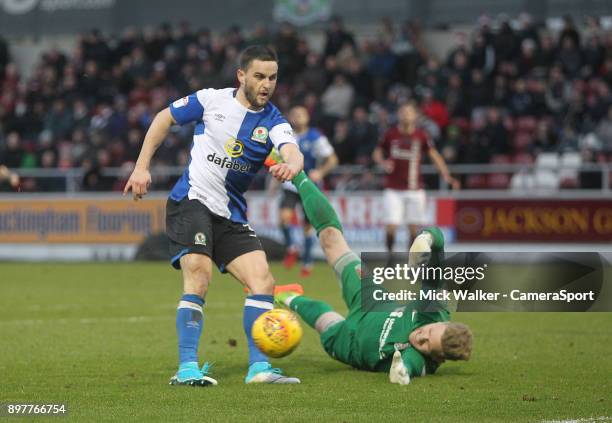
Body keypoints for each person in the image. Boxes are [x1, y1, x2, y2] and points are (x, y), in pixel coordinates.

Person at [123, 45, 304, 386]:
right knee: (199, 273)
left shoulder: (274, 121)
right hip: (192, 201)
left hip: (230, 214)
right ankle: (187, 369)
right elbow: (164, 118)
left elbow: (291, 150)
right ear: (241, 75)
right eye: (259, 76)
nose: (266, 84)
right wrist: (141, 168)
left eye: (273, 78)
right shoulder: (211, 100)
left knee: (262, 281)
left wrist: (292, 164)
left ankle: (259, 369)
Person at [269, 166, 473, 383]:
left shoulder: (421, 361)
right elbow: (437, 251)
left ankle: (287, 296)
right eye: (428, 331)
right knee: (331, 238)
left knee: (324, 320)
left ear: (438, 358)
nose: (420, 336)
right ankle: (298, 175)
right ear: (440, 323)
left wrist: (401, 372)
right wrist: (427, 239)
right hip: (374, 302)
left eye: (425, 344)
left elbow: (408, 368)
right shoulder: (435, 310)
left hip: (351, 344)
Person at [372, 101, 459, 253]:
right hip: (393, 189)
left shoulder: (421, 136)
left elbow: (434, 155)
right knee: (391, 227)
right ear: (398, 115)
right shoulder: (390, 134)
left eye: (409, 112)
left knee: (413, 230)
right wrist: (382, 162)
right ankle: (390, 255)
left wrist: (446, 175)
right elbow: (377, 152)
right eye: (403, 112)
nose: (405, 115)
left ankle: (410, 263)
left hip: (415, 188)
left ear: (415, 116)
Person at [271, 105, 338, 277]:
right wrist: (274, 183)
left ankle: (307, 261)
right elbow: (277, 160)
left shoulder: (315, 136)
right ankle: (292, 247)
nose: (297, 117)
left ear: (307, 117)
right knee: (283, 219)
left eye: (301, 114)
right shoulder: (285, 135)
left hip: (309, 185)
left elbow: (332, 159)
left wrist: (320, 172)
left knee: (307, 227)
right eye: (294, 114)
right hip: (289, 185)